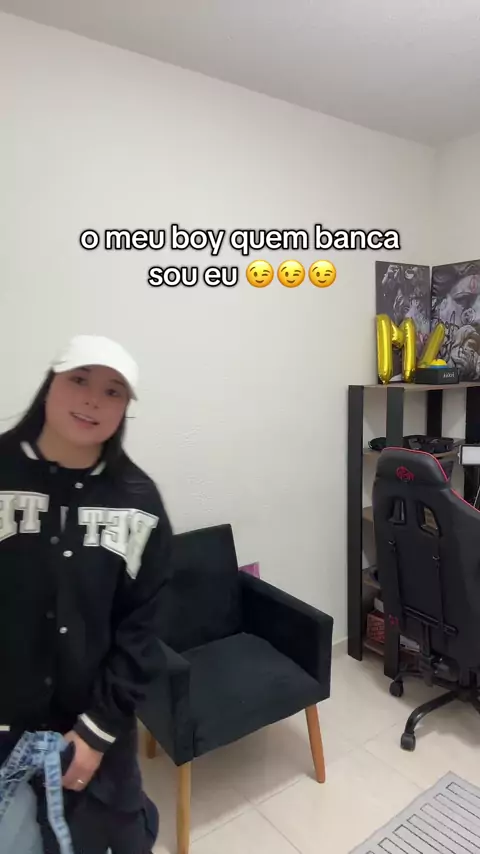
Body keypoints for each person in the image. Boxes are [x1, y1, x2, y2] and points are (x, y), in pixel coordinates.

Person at [0, 335, 173, 853]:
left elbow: (143, 628)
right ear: (50, 384)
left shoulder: (138, 501)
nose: (93, 400)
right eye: (79, 380)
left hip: (94, 735)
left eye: (113, 391)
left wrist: (97, 733)